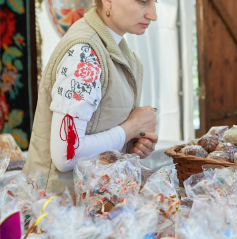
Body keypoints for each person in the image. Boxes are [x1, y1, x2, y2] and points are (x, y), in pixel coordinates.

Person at [23, 0, 160, 193]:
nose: (153, 15)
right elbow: (67, 155)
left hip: (94, 205)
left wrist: (130, 145)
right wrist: (131, 129)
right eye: (143, 1)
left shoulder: (116, 50)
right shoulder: (84, 53)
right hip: (59, 209)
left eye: (155, 2)